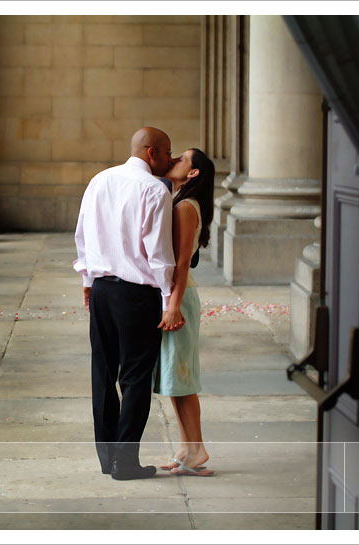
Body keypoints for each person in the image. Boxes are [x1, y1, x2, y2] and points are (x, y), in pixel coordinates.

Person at [73, 127, 183, 481]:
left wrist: (88, 282)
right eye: (167, 153)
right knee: (135, 379)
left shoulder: (99, 180)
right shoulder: (154, 190)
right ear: (151, 152)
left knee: (102, 375)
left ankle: (109, 459)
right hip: (138, 295)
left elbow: (83, 235)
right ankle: (125, 462)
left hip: (104, 290)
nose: (170, 159)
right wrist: (170, 301)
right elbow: (159, 255)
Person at [154, 148, 216, 477]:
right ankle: (187, 448)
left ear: (193, 174)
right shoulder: (181, 202)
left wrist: (173, 305)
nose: (174, 159)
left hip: (181, 296)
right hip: (177, 294)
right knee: (175, 378)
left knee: (183, 376)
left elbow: (180, 263)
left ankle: (198, 448)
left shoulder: (185, 208)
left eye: (181, 159)